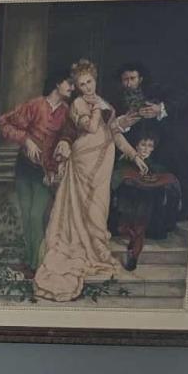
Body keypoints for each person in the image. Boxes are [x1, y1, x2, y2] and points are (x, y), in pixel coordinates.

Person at [32, 60, 149, 303]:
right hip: (83, 164)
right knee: (85, 214)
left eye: (90, 82)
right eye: (82, 84)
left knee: (99, 210)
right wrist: (97, 108)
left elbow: (114, 134)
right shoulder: (78, 104)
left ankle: (97, 249)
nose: (87, 87)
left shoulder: (103, 102)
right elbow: (93, 127)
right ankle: (88, 251)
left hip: (102, 166)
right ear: (76, 87)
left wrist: (135, 155)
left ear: (95, 79)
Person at [0, 68, 75, 274]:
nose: (72, 87)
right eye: (69, 83)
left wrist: (63, 149)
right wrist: (26, 140)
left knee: (36, 216)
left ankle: (38, 265)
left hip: (45, 171)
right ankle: (30, 262)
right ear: (57, 83)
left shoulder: (67, 111)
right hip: (24, 167)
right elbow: (3, 122)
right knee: (26, 215)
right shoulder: (35, 105)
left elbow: (68, 136)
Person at [108, 130, 183, 271]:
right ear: (136, 146)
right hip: (125, 203)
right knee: (124, 227)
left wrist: (153, 180)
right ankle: (132, 240)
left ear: (153, 148)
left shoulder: (154, 165)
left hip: (145, 204)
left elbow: (164, 177)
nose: (145, 149)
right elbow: (116, 178)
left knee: (140, 227)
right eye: (143, 145)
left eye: (149, 146)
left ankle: (134, 257)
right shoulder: (124, 161)